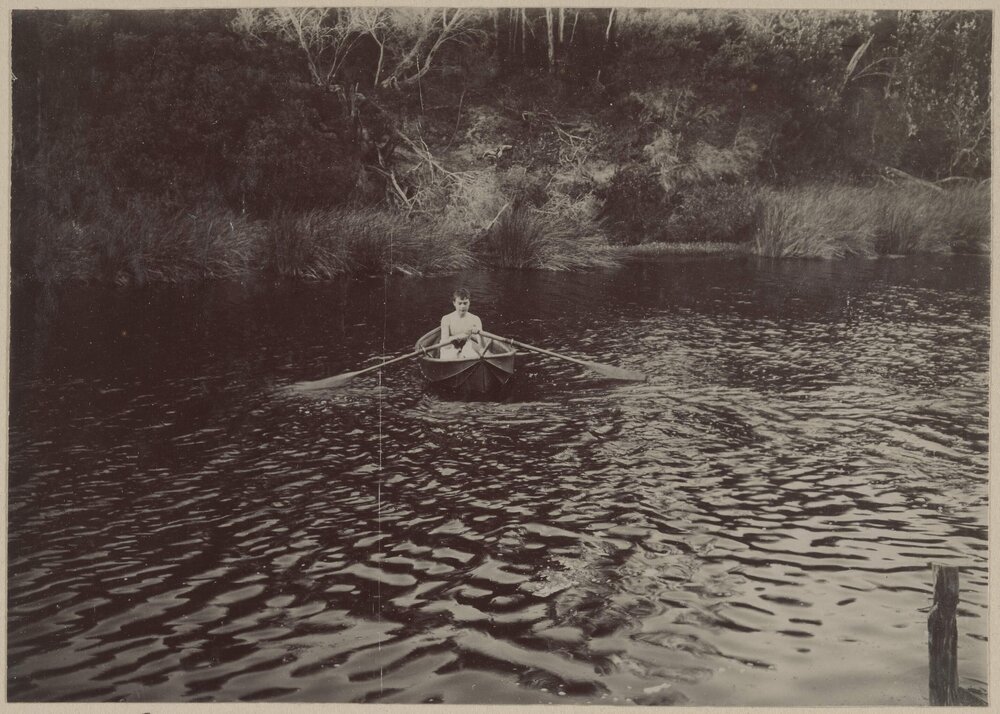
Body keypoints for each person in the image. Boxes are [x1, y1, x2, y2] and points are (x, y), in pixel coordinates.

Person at [439, 288, 484, 360]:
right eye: (459, 303)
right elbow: (445, 346)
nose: (462, 306)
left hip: (468, 347)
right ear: (454, 303)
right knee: (450, 357)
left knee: (474, 355)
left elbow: (481, 347)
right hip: (451, 347)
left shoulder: (476, 319)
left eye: (465, 303)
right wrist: (464, 335)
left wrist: (477, 334)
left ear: (469, 302)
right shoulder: (446, 319)